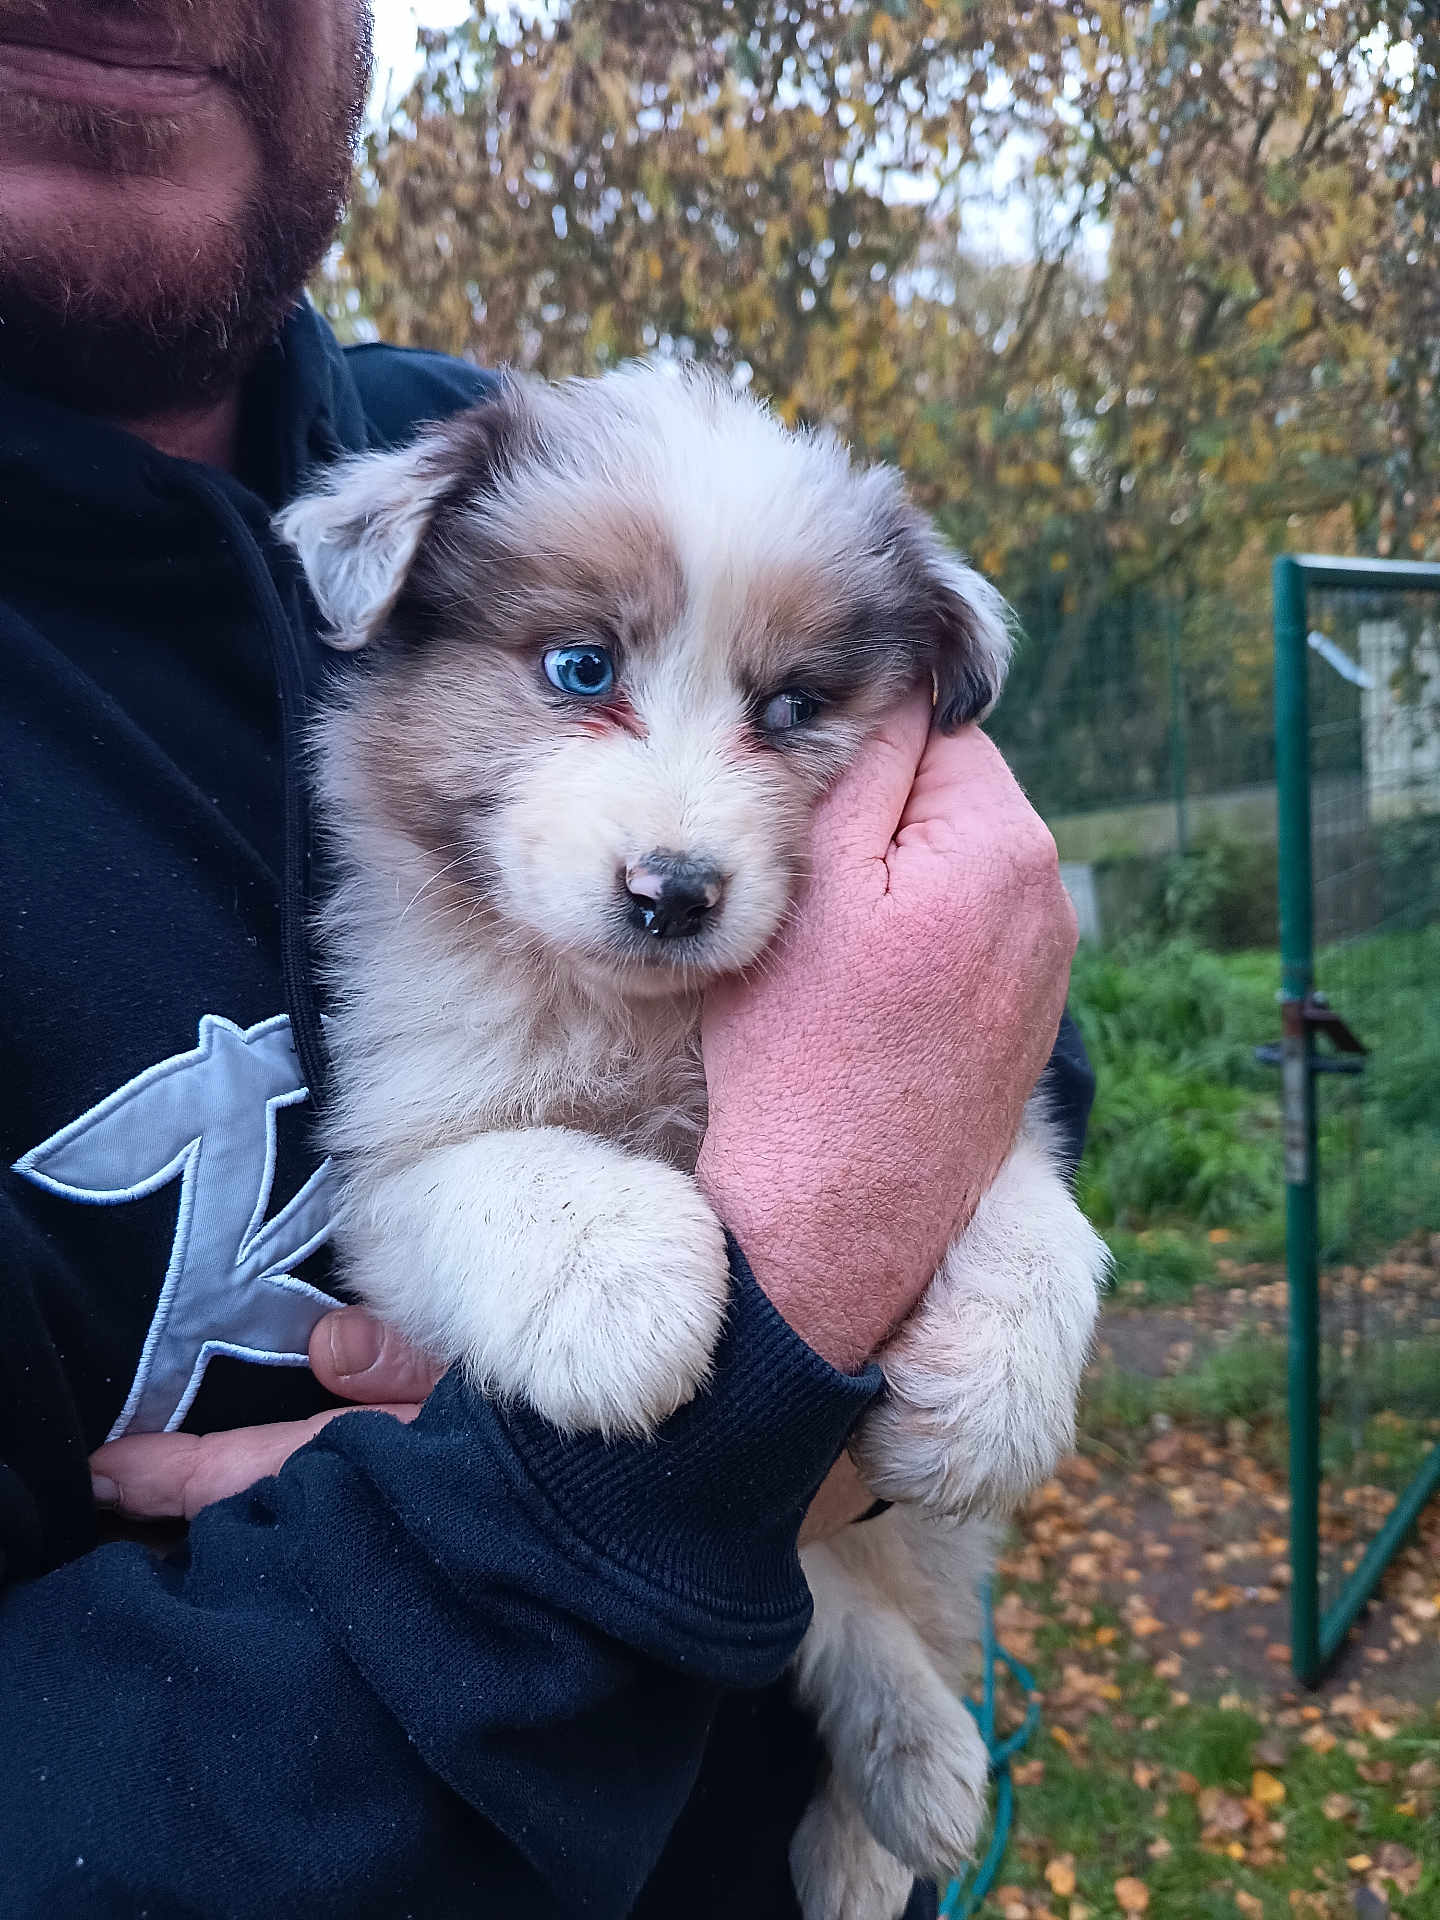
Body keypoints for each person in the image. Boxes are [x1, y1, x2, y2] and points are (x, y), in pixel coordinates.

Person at [0, 3, 1091, 1914]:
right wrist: (703, 1452)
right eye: (581, 673)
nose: (675, 829)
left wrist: (989, 1223)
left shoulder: (502, 435)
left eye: (775, 710)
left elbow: (981, 995)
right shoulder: (437, 548)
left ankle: (866, 1671)